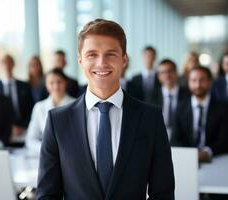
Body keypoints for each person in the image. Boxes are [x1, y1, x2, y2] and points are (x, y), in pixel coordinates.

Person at [36, 19, 174, 200]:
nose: (101, 63)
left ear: (124, 60)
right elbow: (47, 194)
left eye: (110, 54)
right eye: (92, 55)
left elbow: (162, 193)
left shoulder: (151, 118)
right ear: (80, 60)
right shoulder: (57, 121)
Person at [172, 66, 228, 162]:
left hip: (215, 159)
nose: (198, 85)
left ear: (210, 82)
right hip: (186, 160)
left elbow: (225, 139)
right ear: (188, 83)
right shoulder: (180, 107)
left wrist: (207, 152)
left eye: (202, 80)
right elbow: (175, 139)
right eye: (194, 80)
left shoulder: (223, 108)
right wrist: (191, 154)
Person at [26, 68, 75, 154]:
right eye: (51, 83)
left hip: (71, 155)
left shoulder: (76, 105)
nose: (56, 86)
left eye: (59, 82)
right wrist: (46, 148)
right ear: (46, 85)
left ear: (65, 83)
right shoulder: (39, 107)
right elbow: (30, 139)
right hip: (46, 156)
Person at [0, 54, 34, 143]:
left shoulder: (25, 86)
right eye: (4, 63)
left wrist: (22, 126)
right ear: (0, 65)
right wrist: (10, 128)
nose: (7, 65)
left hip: (23, 131)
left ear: (13, 64)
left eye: (9, 62)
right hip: (1, 133)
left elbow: (31, 109)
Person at [152, 59, 190, 141]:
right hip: (158, 137)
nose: (167, 75)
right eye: (163, 72)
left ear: (176, 73)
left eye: (170, 71)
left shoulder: (188, 94)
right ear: (158, 76)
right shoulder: (152, 96)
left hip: (182, 139)